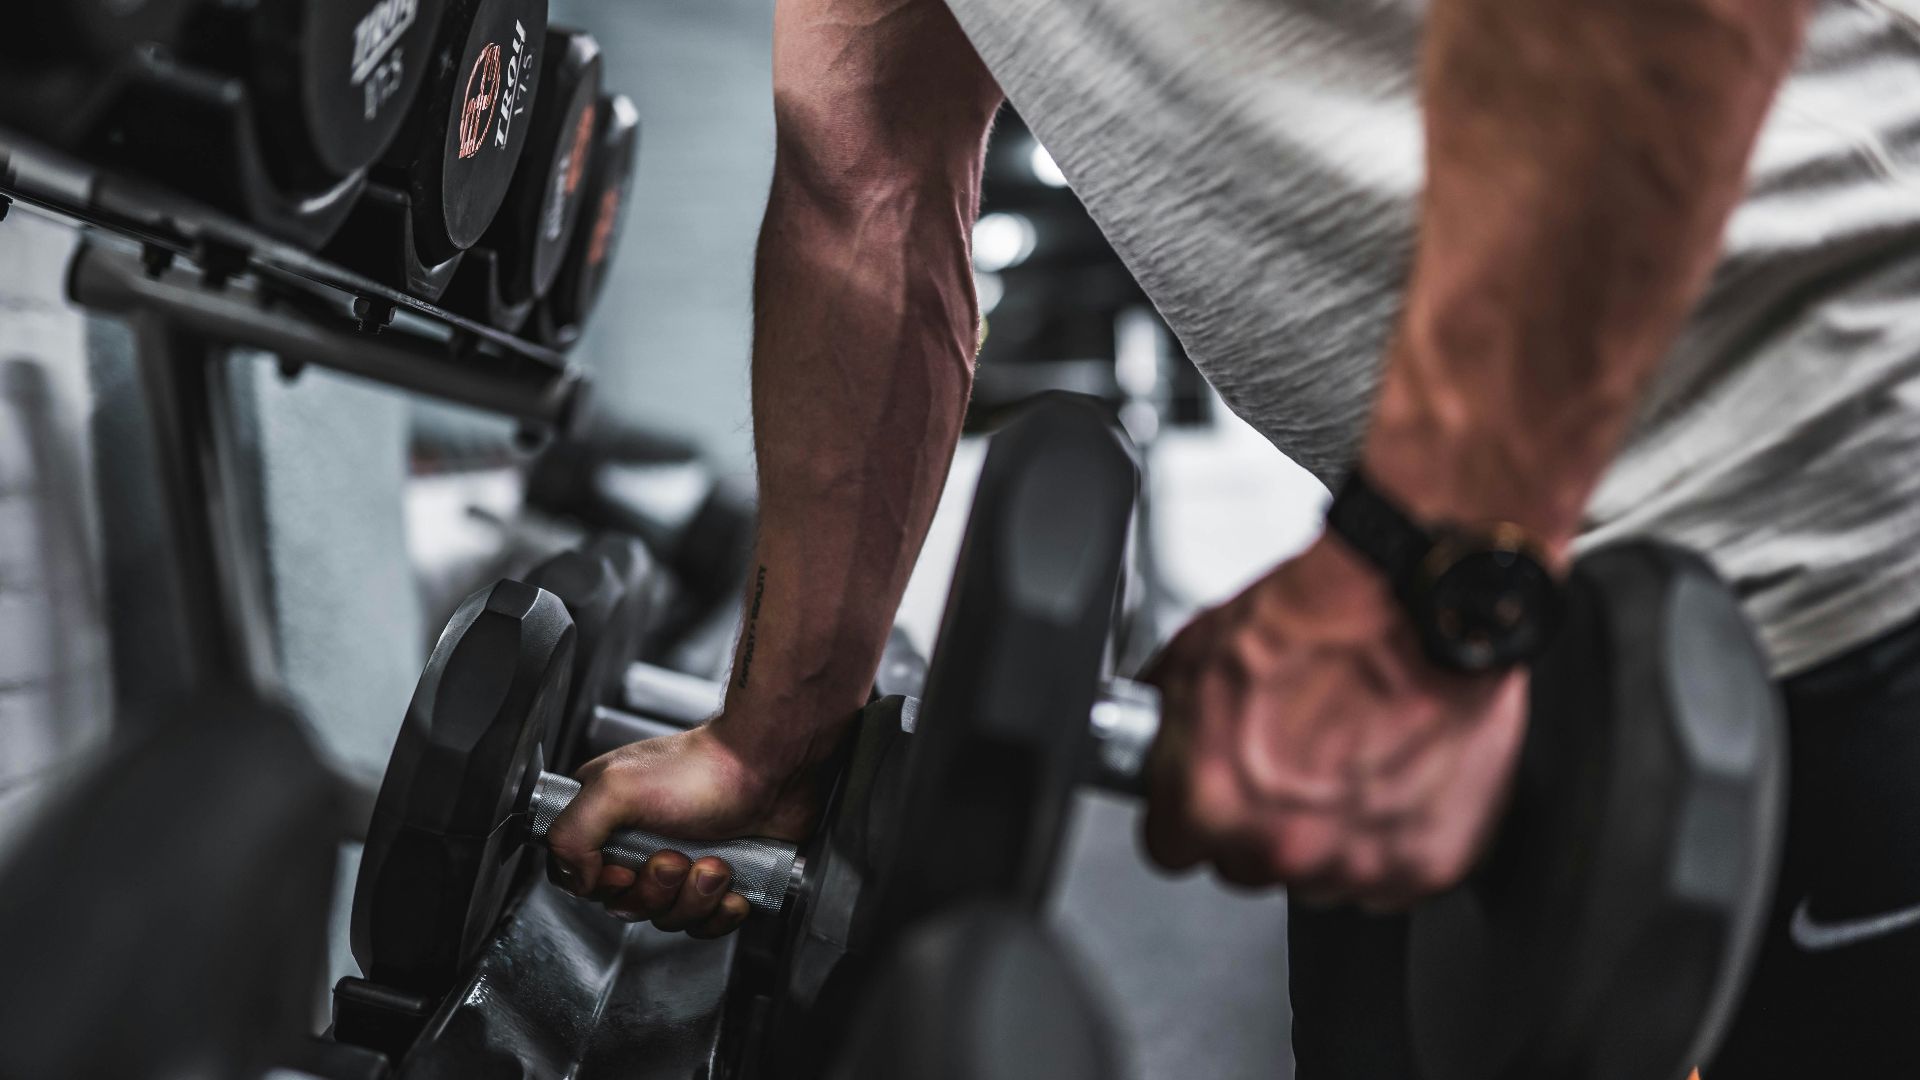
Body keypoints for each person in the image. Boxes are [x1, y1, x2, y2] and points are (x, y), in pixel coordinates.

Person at [548, 0, 1920, 1072]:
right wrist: (782, 736)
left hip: (1847, 554)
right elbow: (868, 187)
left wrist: (1418, 580)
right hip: (1493, 596)